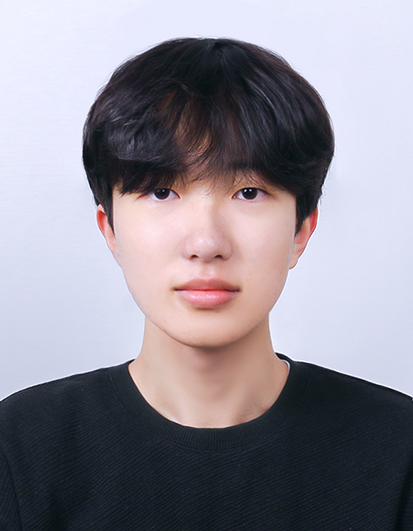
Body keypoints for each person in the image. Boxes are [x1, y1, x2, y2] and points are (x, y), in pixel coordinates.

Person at [0, 37, 412, 530]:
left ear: (301, 231)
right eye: (161, 191)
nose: (206, 243)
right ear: (110, 230)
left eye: (249, 192)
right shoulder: (20, 447)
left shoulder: (398, 449)